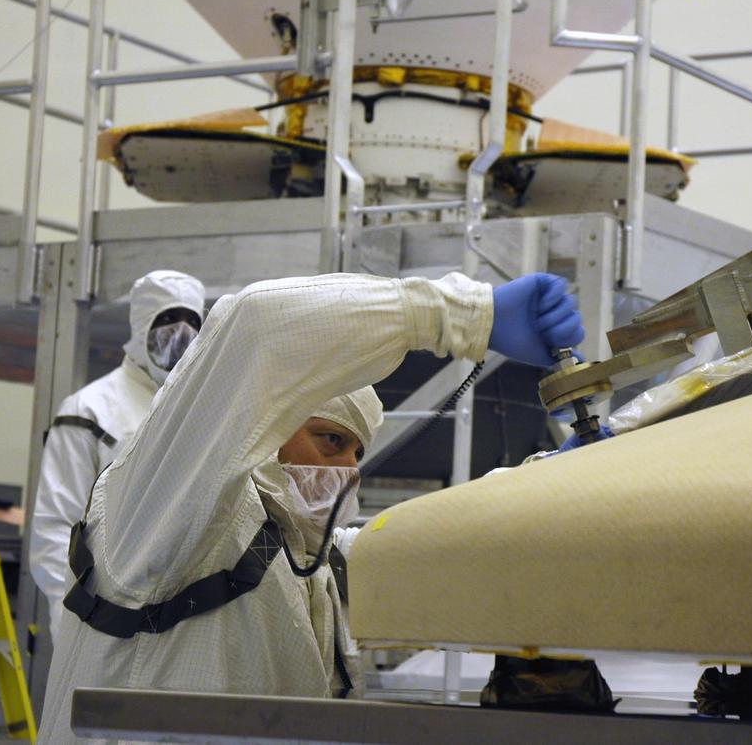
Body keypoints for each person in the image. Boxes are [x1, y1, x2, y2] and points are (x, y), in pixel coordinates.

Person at [38, 271, 581, 741]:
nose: (345, 471)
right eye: (329, 440)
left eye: (356, 452)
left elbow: (415, 541)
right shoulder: (168, 510)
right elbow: (253, 326)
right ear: (264, 426)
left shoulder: (298, 556)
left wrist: (551, 478)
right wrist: (460, 315)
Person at [29, 269, 205, 645]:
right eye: (168, 319)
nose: (182, 331)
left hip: (184, 616)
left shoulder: (203, 408)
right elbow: (56, 525)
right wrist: (79, 612)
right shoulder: (91, 408)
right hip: (100, 617)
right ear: (142, 327)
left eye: (193, 320)